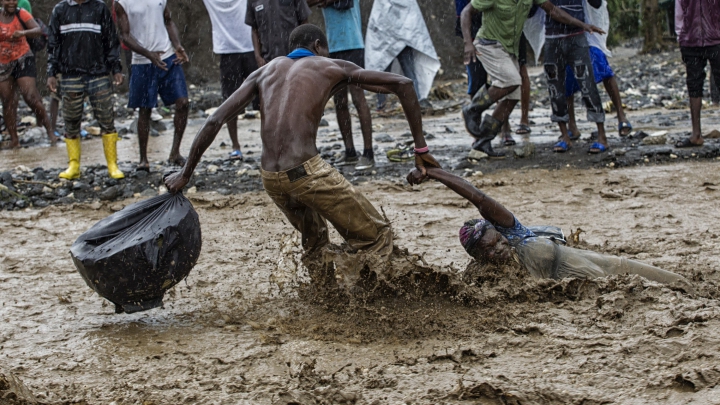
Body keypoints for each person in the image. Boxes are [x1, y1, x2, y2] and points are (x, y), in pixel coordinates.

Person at [165, 25, 439, 259]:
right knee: (376, 235)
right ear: (318, 46)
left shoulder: (263, 72)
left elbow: (214, 120)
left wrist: (185, 173)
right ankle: (374, 304)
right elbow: (402, 84)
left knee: (315, 244)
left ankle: (323, 300)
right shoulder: (330, 66)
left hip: (271, 179)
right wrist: (421, 149)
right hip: (307, 173)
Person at [406, 166, 690, 287]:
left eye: (497, 240)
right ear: (478, 258)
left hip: (597, 265)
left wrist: (435, 173)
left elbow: (477, 197)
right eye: (490, 250)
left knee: (662, 281)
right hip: (579, 289)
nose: (500, 248)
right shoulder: (484, 277)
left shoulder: (514, 233)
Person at [460, 0, 603, 158]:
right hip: (488, 44)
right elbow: (466, 12)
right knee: (512, 81)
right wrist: (468, 42)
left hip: (509, 48)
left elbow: (553, 10)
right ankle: (472, 109)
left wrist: (582, 25)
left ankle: (483, 141)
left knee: (513, 97)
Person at [47, 0, 125, 180]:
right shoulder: (60, 10)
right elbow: (53, 44)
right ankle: (73, 165)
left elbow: (111, 40)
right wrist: (51, 72)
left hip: (98, 73)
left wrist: (116, 68)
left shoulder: (99, 8)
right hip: (69, 74)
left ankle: (112, 164)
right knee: (71, 119)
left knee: (106, 118)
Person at [114, 0, 190, 170]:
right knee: (144, 109)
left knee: (183, 102)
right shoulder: (121, 2)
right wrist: (148, 54)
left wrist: (177, 45)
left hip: (167, 55)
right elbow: (125, 35)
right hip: (142, 61)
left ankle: (175, 153)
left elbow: (168, 20)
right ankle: (143, 159)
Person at [306, 0, 374, 170]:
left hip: (353, 43)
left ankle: (368, 152)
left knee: (358, 98)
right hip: (333, 47)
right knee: (340, 100)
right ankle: (350, 151)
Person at [564, 0, 632, 140]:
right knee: (567, 79)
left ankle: (620, 115)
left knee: (603, 70)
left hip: (590, 36)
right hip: (568, 34)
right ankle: (572, 125)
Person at [202, 0, 259, 161]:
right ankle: (236, 146)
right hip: (227, 51)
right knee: (230, 101)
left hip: (251, 48)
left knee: (264, 99)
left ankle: (269, 143)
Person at [0, 0, 57, 149]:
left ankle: (51, 133)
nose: (12, 2)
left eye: (14, 0)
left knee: (30, 96)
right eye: (8, 0)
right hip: (3, 63)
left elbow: (38, 30)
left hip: (23, 58)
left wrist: (23, 33)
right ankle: (14, 140)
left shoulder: (21, 13)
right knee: (7, 101)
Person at [366, 0, 440, 111]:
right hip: (400, 35)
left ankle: (385, 104)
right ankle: (414, 101)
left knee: (385, 71)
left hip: (390, 36)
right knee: (402, 72)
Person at [674, 0, 720, 148]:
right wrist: (680, 36)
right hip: (690, 41)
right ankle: (696, 134)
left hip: (716, 40)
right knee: (694, 85)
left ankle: (696, 134)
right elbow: (679, 12)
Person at [246, 0, 311, 67]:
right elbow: (254, 30)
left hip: (295, 57)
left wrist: (305, 50)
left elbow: (304, 22)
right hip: (268, 62)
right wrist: (258, 57)